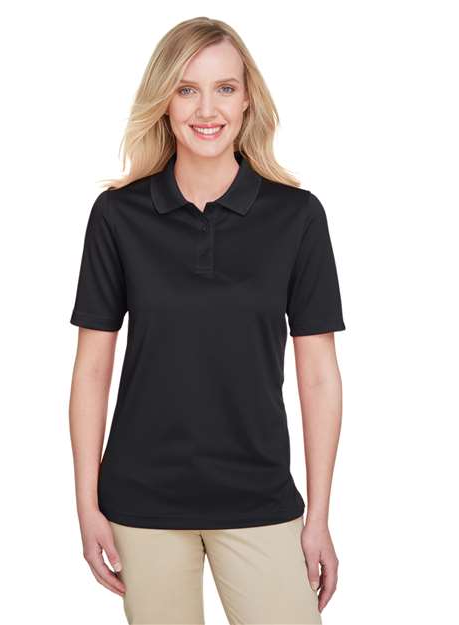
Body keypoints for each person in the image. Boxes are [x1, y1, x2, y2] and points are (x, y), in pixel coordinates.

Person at [69, 16, 345, 625]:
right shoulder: (118, 216)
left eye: (224, 88)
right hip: (142, 502)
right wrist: (87, 505)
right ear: (164, 101)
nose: (206, 109)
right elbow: (91, 370)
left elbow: (319, 375)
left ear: (247, 100)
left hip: (260, 495)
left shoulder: (296, 217)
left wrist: (319, 516)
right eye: (187, 89)